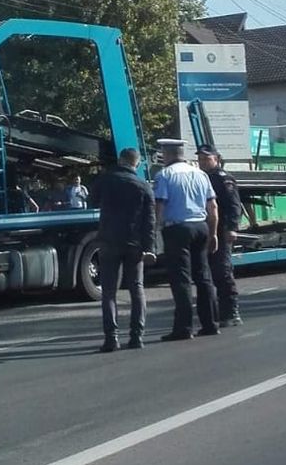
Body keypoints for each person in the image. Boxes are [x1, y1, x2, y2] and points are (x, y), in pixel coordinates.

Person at [88, 148, 156, 352]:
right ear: (137, 164)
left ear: (121, 160)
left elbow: (92, 200)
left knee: (109, 292)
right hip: (134, 243)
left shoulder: (106, 179)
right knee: (137, 288)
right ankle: (137, 336)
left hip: (109, 241)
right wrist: (149, 247)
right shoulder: (143, 186)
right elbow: (150, 221)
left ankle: (111, 338)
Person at [153, 139, 219, 341]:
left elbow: (160, 206)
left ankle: (183, 327)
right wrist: (213, 233)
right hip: (201, 227)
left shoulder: (164, 175)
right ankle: (210, 324)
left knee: (181, 279)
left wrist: (157, 231)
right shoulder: (201, 175)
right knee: (203, 276)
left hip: (177, 229)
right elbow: (213, 208)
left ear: (167, 154)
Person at [197, 144, 244, 327]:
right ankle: (216, 312)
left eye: (206, 159)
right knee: (207, 271)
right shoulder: (200, 177)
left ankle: (232, 311)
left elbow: (234, 205)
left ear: (216, 159)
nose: (202, 162)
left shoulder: (223, 179)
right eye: (200, 159)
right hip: (205, 228)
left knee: (222, 271)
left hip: (221, 229)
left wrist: (232, 227)